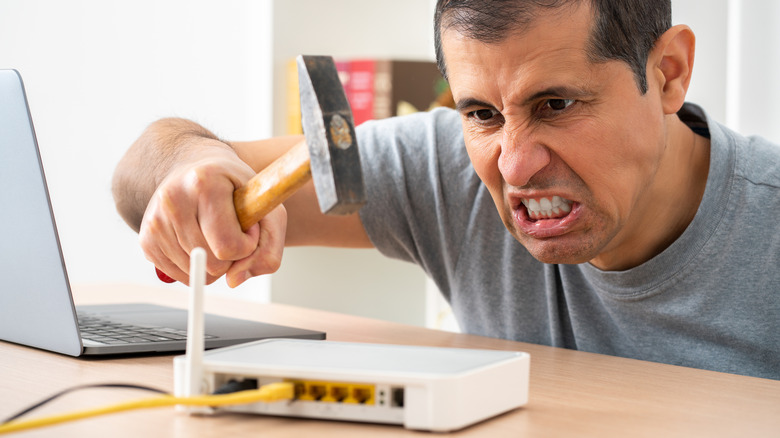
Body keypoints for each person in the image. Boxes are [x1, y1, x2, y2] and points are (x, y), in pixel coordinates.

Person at [112, 0, 780, 379]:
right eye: (482, 113)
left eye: (556, 104)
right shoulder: (443, 167)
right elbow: (141, 171)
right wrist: (191, 167)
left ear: (668, 73)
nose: (513, 166)